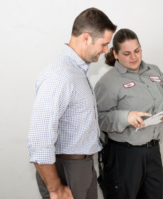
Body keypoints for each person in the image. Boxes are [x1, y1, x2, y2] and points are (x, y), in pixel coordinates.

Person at [27, 8, 117, 199]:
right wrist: (55, 188)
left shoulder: (76, 71)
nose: (106, 50)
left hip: (83, 166)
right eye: (104, 44)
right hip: (67, 170)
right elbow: (39, 139)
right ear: (86, 38)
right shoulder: (60, 75)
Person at [94, 29, 163, 199]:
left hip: (153, 152)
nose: (134, 57)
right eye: (126, 53)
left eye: (137, 50)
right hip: (124, 156)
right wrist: (126, 117)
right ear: (115, 54)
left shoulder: (154, 71)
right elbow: (99, 118)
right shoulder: (108, 82)